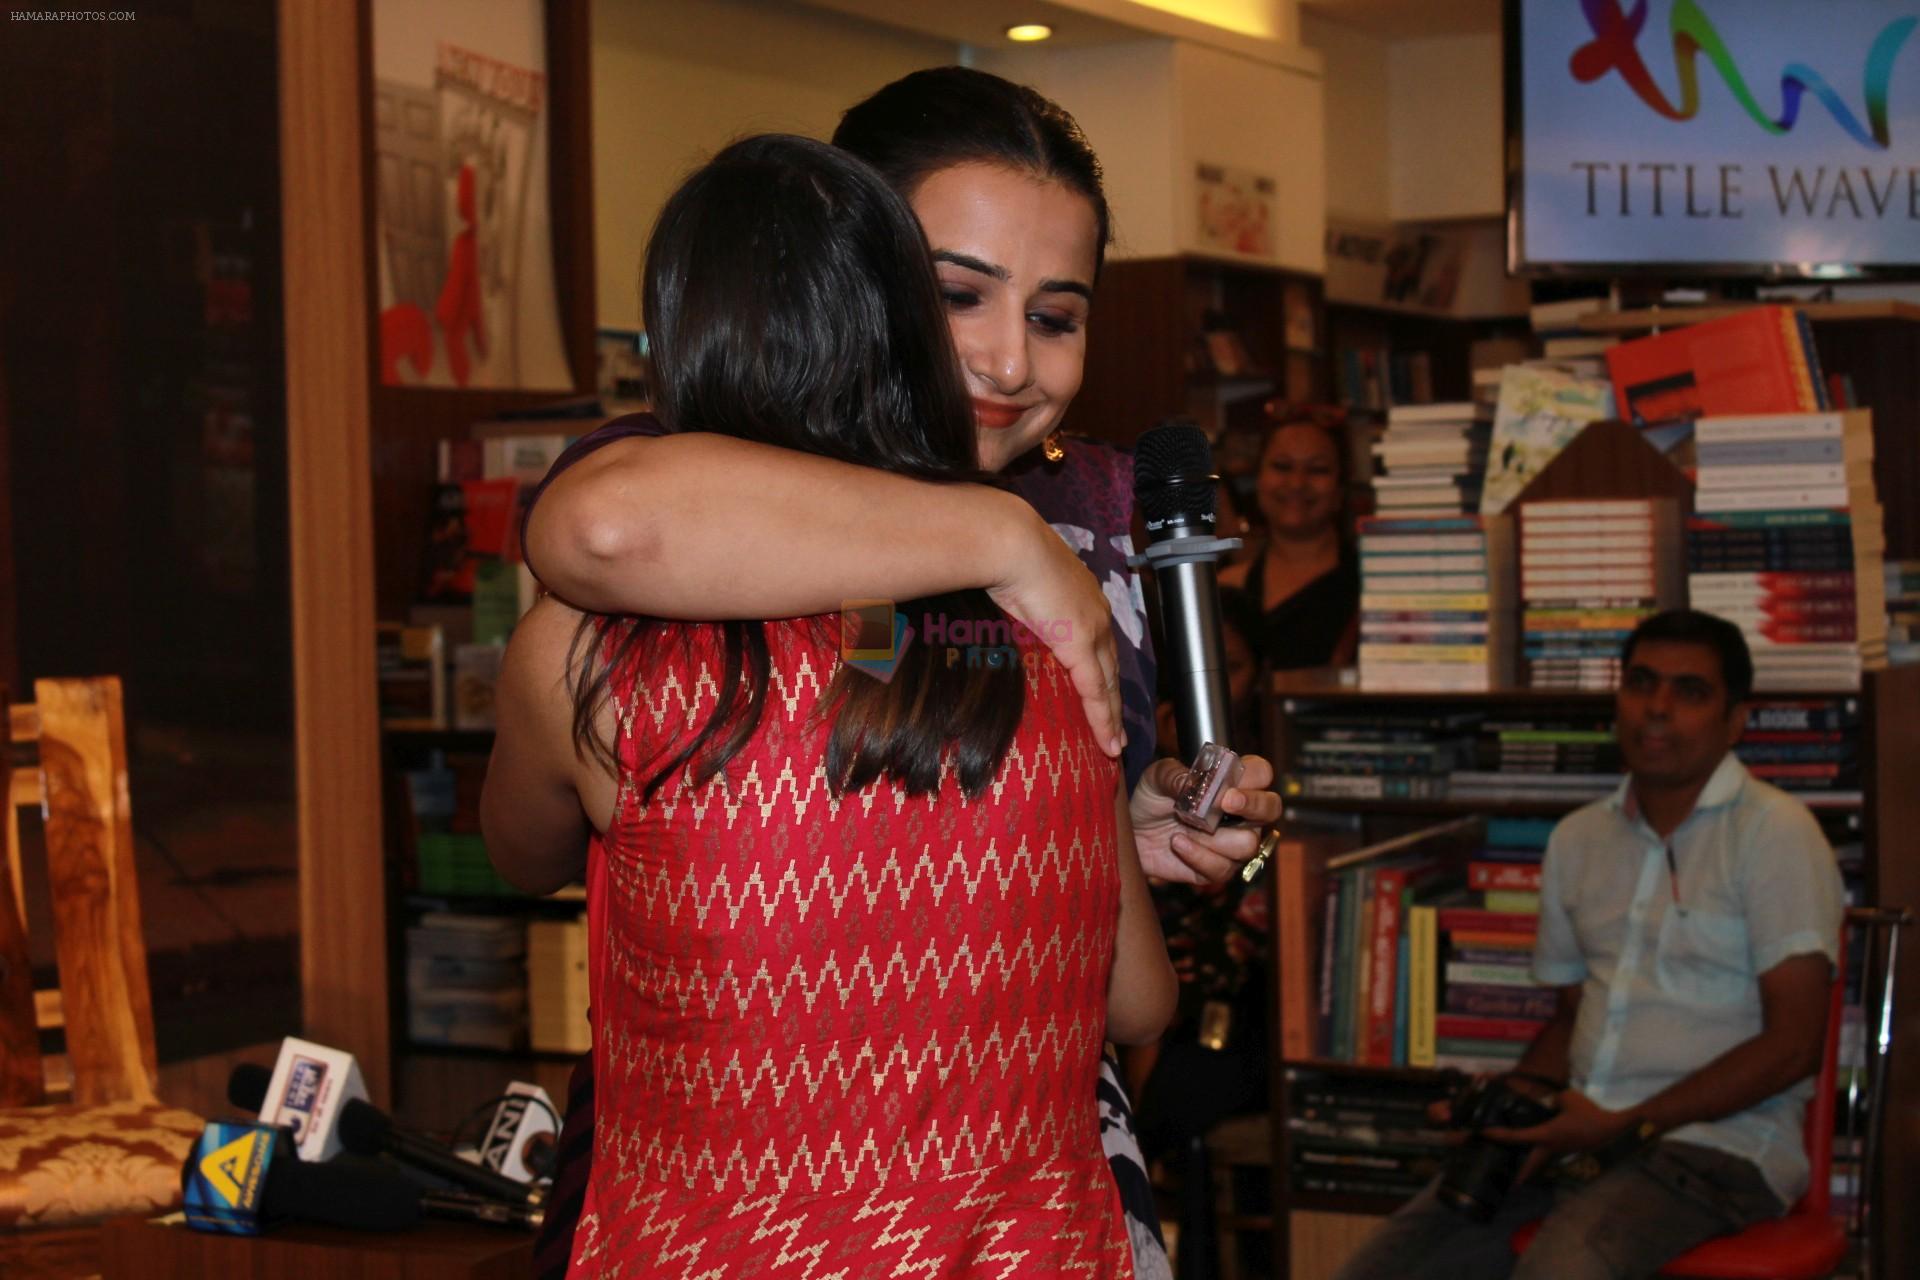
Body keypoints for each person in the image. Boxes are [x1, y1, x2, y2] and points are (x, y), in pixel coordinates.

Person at [518, 67, 1283, 1278]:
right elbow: (598, 532)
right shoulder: (710, 474)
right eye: (958, 292)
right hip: (732, 1177)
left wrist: (1135, 824)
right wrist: (996, 537)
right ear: (846, 272)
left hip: (1021, 1169)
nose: (1006, 359)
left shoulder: (1102, 504)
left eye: (1056, 315)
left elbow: (1102, 944)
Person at [1332, 609, 1844, 1280]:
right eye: (1641, 682)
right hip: (1579, 1135)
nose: (1657, 709)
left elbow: (1795, 1047)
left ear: (1735, 720)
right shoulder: (1577, 840)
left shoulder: (1775, 832)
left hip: (1717, 1153)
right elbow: (1573, 1019)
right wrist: (1514, 1103)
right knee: (1384, 1267)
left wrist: (1625, 1121)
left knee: (1559, 1269)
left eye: (1690, 691)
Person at [1219, 411, 1359, 670]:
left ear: (1341, 490)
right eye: (1282, 466)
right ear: (1258, 479)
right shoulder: (1226, 587)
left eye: (1317, 470)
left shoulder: (1370, 587)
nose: (1296, 483)